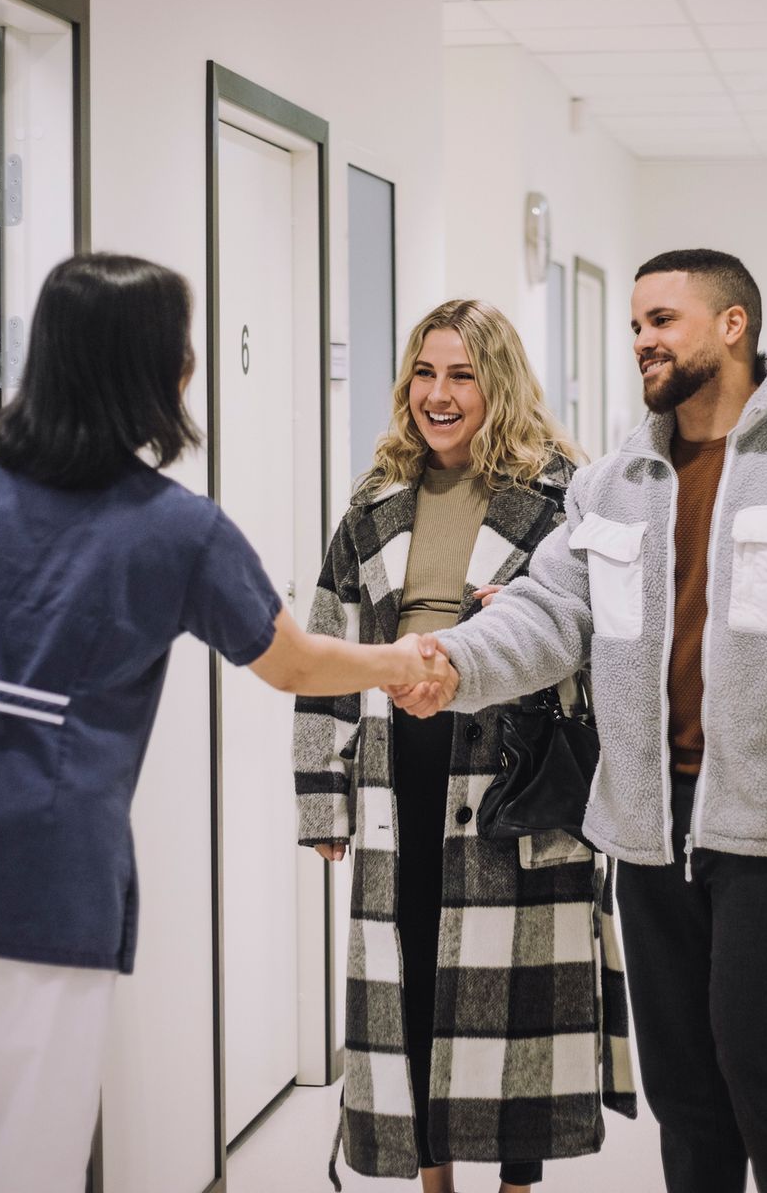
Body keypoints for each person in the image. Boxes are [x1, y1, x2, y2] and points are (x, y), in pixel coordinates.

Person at [0, 253, 451, 1193]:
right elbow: (291, 660)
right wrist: (403, 661)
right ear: (160, 371)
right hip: (44, 880)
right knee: (26, 1162)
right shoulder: (176, 529)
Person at [392, 250, 767, 1193]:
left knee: (765, 1070)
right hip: (646, 826)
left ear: (733, 326)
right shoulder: (615, 482)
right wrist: (451, 662)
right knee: (683, 1086)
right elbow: (549, 611)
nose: (642, 338)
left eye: (662, 320)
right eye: (636, 322)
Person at [294, 300, 636, 1193]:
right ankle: (432, 1179)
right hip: (396, 770)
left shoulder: (566, 495)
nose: (438, 396)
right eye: (424, 373)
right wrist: (322, 796)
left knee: (517, 992)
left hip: (517, 767)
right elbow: (328, 646)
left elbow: (611, 635)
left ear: (499, 384)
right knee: (411, 969)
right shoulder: (374, 503)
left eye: (461, 375)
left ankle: (517, 1183)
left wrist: (511, 632)